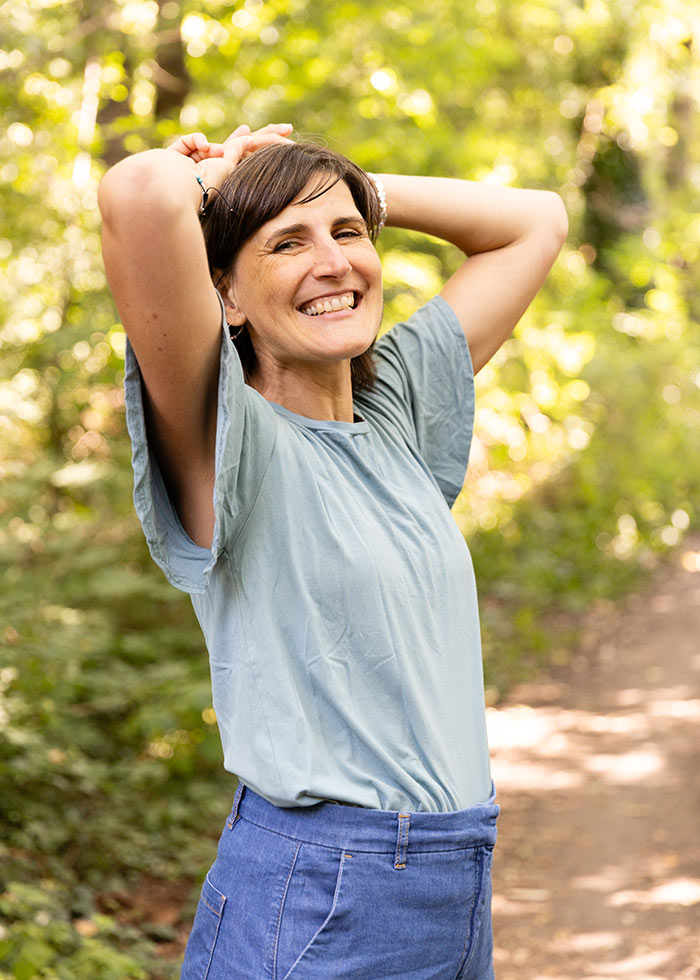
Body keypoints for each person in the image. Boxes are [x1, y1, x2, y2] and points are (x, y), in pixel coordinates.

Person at [98, 122, 567, 980]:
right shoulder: (230, 443)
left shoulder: (397, 416)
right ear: (227, 297)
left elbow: (534, 220)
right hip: (324, 898)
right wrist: (228, 172)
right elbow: (138, 198)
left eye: (348, 234)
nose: (333, 261)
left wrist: (337, 182)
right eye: (286, 242)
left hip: (453, 877)